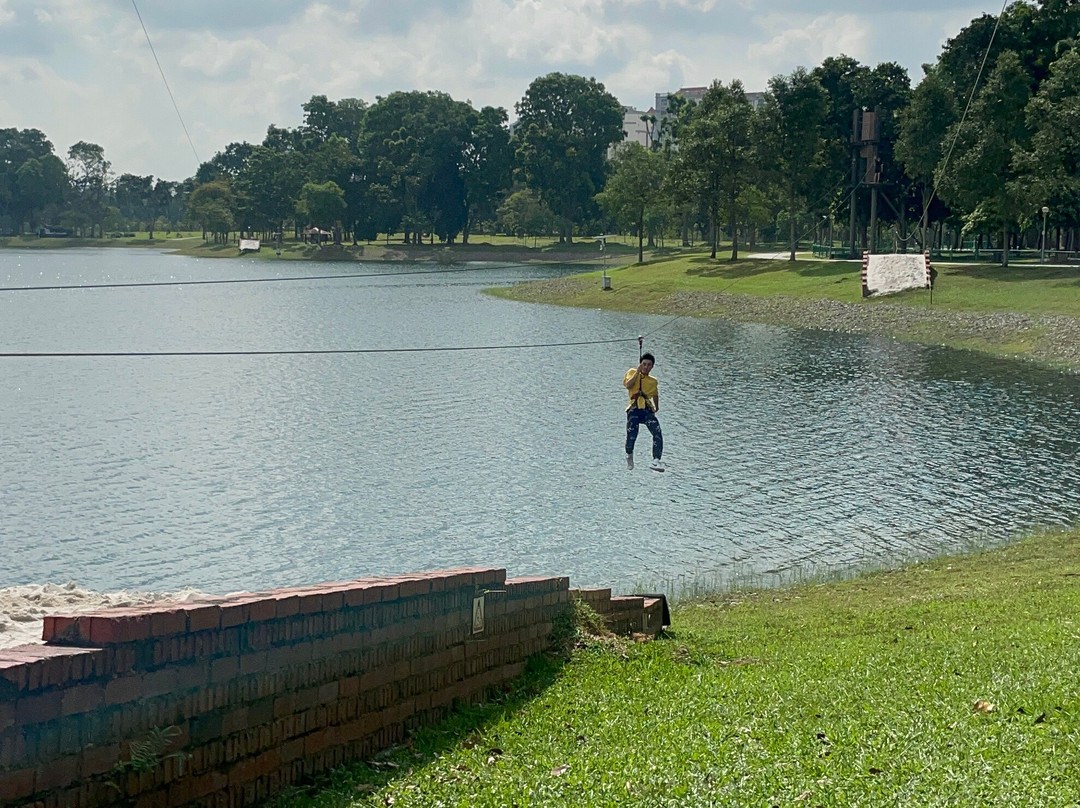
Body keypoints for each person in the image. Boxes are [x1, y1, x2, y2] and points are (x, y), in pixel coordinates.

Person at [623, 353, 663, 471]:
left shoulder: (653, 381)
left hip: (646, 409)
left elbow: (655, 394)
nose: (646, 367)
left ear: (652, 367)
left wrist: (657, 407)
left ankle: (656, 460)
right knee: (632, 435)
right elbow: (628, 385)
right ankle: (629, 454)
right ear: (641, 364)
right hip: (634, 408)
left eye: (649, 365)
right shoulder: (632, 372)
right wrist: (637, 372)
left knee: (657, 432)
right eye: (644, 364)